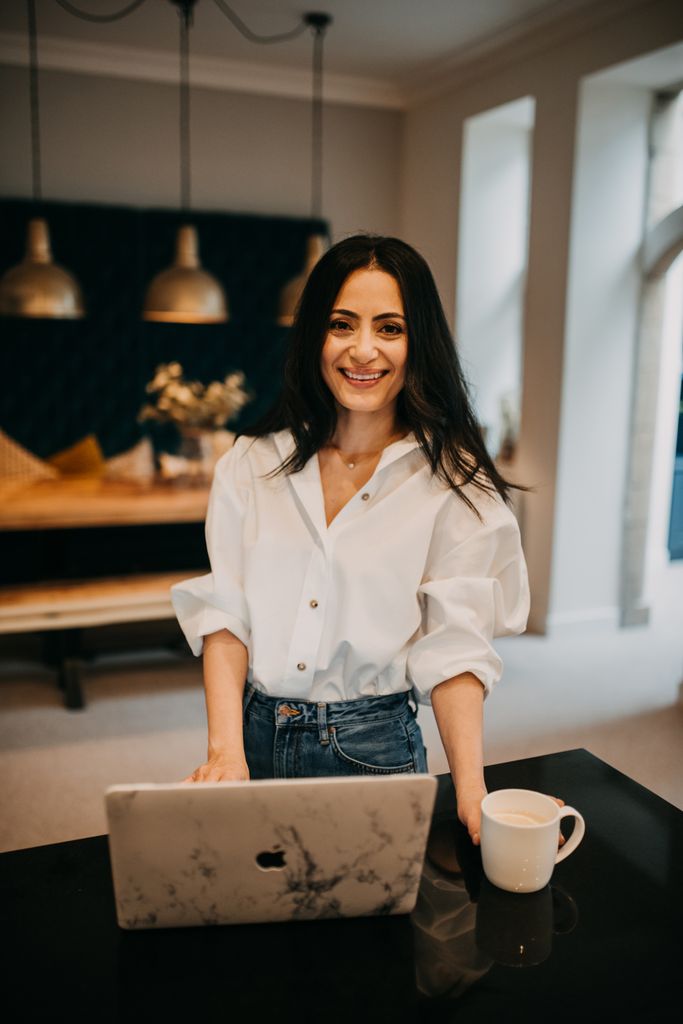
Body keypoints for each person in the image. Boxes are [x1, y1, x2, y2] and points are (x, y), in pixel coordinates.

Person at [171, 233, 530, 846]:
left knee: (377, 936)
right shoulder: (250, 464)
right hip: (254, 738)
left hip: (375, 747)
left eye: (389, 327)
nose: (363, 350)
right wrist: (226, 752)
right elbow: (225, 616)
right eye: (342, 324)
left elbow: (455, 649)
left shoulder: (456, 483)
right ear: (315, 334)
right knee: (251, 926)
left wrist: (472, 793)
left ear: (419, 343)